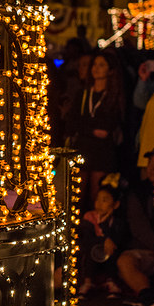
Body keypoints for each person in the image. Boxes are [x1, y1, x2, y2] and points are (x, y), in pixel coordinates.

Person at [63, 50, 125, 207]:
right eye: (95, 64)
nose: (96, 68)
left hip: (102, 152)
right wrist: (91, 129)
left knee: (96, 197)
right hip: (82, 148)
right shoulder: (83, 93)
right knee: (76, 196)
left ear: (110, 70)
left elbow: (106, 128)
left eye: (101, 65)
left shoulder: (113, 96)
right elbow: (72, 121)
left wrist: (86, 125)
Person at [117, 147, 154, 306]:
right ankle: (147, 296)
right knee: (125, 261)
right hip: (147, 249)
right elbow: (138, 225)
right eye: (150, 164)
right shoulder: (138, 192)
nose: (152, 168)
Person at [77, 178, 128, 298]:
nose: (99, 203)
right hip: (92, 251)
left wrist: (105, 226)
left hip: (107, 254)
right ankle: (87, 282)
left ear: (115, 204)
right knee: (90, 251)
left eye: (104, 200)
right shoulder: (89, 216)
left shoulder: (116, 222)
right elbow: (87, 238)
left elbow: (118, 239)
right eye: (97, 199)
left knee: (112, 250)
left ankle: (111, 280)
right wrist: (104, 240)